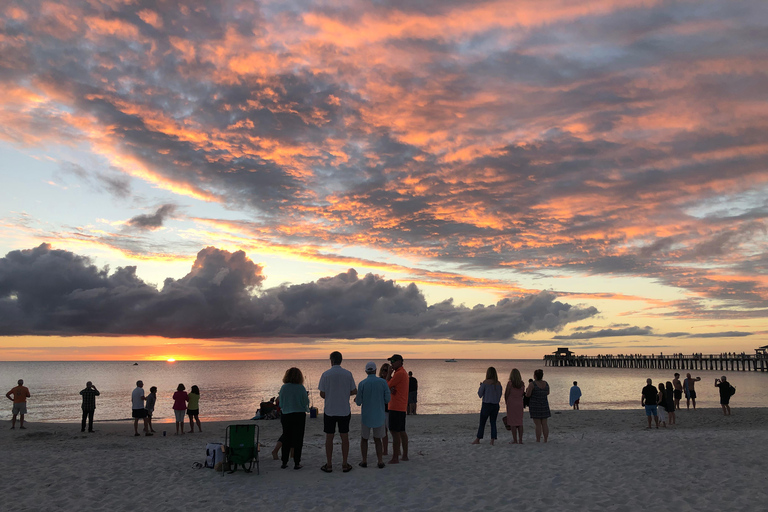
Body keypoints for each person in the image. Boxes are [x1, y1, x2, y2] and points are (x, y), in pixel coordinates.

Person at [318, 351, 357, 473]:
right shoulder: (348, 374)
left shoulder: (326, 374)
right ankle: (344, 464)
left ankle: (329, 464)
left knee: (329, 437)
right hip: (344, 410)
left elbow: (322, 393)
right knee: (344, 436)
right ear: (341, 360)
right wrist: (344, 393)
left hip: (330, 410)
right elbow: (354, 391)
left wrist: (331, 394)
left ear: (331, 360)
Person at [355, 361, 391, 469]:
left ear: (366, 371)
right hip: (379, 414)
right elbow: (387, 399)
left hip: (366, 415)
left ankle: (364, 460)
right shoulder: (383, 383)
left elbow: (358, 402)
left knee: (364, 439)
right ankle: (380, 461)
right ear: (375, 370)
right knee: (378, 439)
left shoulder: (362, 383)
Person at [278, 367, 310, 470]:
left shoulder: (284, 388)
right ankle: (297, 462)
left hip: (286, 414)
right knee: (298, 438)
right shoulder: (301, 388)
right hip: (299, 415)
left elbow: (281, 403)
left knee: (286, 437)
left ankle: (284, 461)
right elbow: (305, 402)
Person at [386, 354, 409, 463]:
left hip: (396, 406)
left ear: (400, 361)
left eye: (394, 361)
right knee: (401, 431)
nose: (392, 363)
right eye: (391, 361)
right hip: (401, 406)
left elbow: (387, 385)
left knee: (394, 431)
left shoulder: (399, 373)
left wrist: (388, 375)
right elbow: (392, 387)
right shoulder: (402, 373)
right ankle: (404, 455)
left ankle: (396, 457)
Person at [472, 367, 503, 445]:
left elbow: (480, 394)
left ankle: (478, 439)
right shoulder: (498, 384)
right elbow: (499, 395)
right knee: (493, 422)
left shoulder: (485, 382)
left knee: (482, 422)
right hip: (495, 405)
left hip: (486, 404)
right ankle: (492, 440)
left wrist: (481, 386)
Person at [526, 369, 551, 442]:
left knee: (538, 424)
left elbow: (528, 394)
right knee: (544, 424)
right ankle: (545, 439)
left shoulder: (532, 384)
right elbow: (547, 392)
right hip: (544, 405)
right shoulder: (546, 383)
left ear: (535, 376)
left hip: (535, 405)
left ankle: (538, 439)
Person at [504, 368, 525, 444]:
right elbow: (522, 393)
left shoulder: (510, 383)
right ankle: (520, 440)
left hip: (512, 403)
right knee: (519, 422)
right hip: (519, 403)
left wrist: (507, 402)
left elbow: (506, 394)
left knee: (512, 423)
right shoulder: (522, 384)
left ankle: (515, 439)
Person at [378, 363, 391, 456]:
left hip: (391, 408)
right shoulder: (379, 381)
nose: (384, 372)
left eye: (386, 370)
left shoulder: (391, 380)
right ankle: (385, 450)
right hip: (382, 408)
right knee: (384, 431)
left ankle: (397, 450)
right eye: (383, 370)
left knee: (394, 431)